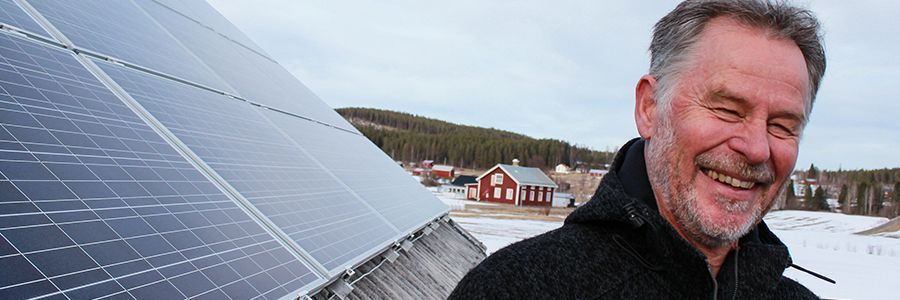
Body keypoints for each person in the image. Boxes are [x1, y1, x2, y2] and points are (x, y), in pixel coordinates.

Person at [449, 0, 827, 299]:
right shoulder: (517, 288)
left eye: (782, 126)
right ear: (649, 107)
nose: (757, 148)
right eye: (727, 110)